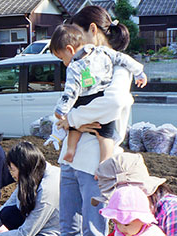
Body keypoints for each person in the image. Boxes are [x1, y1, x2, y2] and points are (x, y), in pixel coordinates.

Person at [52, 5, 137, 236]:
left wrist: (72, 119)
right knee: (69, 230)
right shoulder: (82, 64)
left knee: (95, 233)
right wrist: (70, 121)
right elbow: (61, 112)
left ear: (93, 31)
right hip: (71, 159)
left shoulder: (118, 66)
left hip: (96, 163)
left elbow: (112, 104)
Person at [49, 23, 147, 164]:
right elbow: (123, 58)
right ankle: (104, 162)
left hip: (84, 100)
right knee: (105, 136)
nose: (64, 63)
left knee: (73, 129)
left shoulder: (74, 67)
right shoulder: (103, 51)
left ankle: (70, 150)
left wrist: (61, 110)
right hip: (102, 96)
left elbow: (70, 92)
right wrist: (139, 72)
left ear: (70, 50)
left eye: (61, 58)